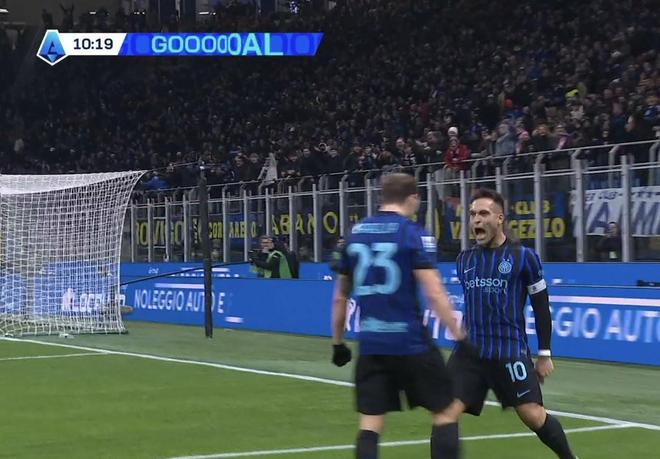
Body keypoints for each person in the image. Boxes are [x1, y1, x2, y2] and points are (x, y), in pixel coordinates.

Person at [330, 173, 465, 459]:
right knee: (446, 412)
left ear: (382, 197)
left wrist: (338, 343)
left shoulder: (355, 234)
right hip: (411, 342)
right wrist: (460, 337)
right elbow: (434, 293)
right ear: (413, 198)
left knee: (370, 424)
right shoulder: (412, 233)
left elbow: (340, 297)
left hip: (371, 344)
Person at [447, 188, 577, 459]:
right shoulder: (464, 260)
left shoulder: (524, 257)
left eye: (484, 213)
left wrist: (544, 353)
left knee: (533, 415)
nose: (476, 220)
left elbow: (541, 306)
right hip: (470, 352)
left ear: (500, 218)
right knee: (444, 412)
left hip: (508, 351)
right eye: (472, 214)